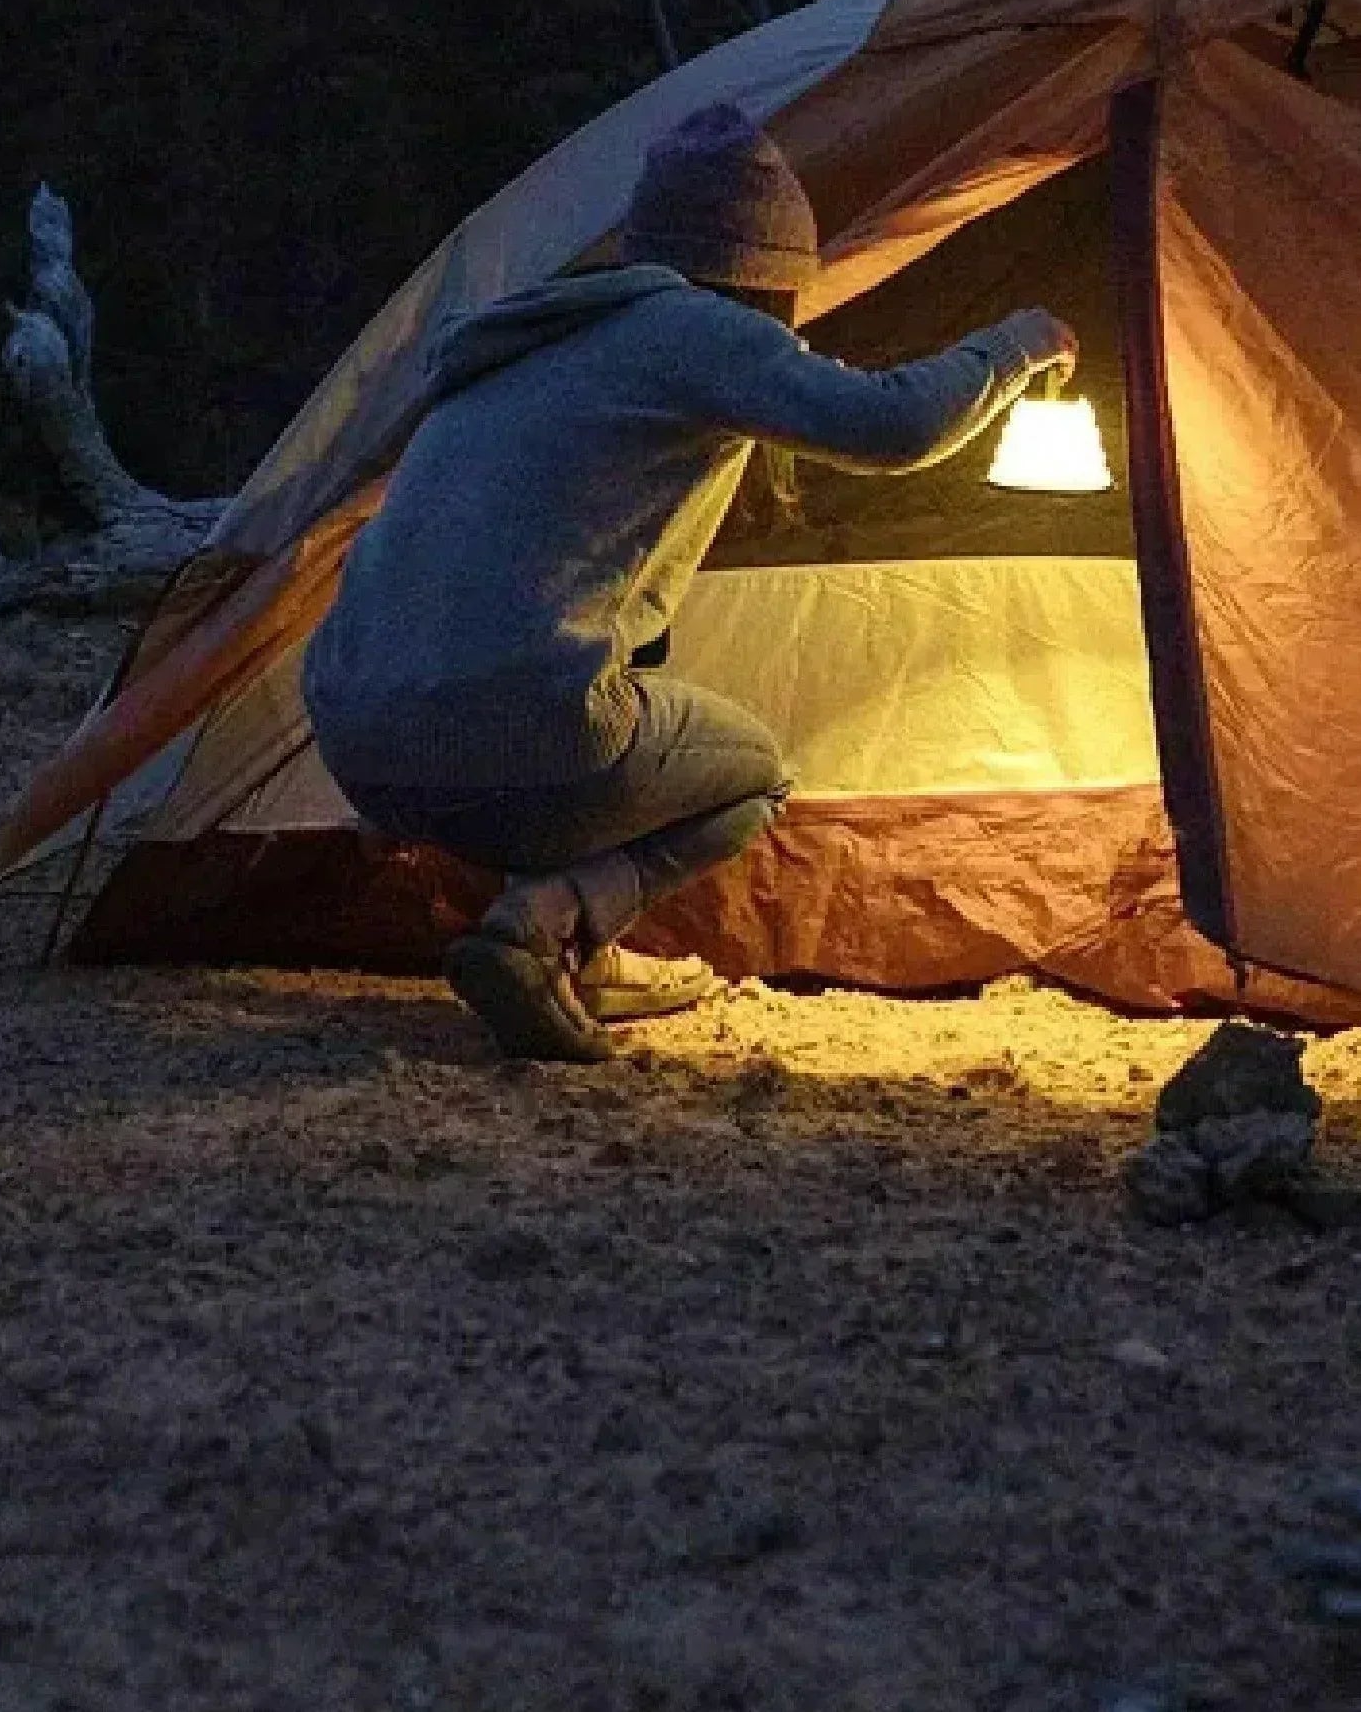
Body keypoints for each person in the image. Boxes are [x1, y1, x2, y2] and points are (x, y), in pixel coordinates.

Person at [301, 101, 1077, 1063]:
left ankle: (580, 953)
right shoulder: (695, 328)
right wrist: (1017, 344)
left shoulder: (531, 341)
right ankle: (541, 923)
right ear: (770, 273)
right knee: (753, 774)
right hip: (507, 724)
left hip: (357, 742)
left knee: (598, 717)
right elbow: (891, 427)